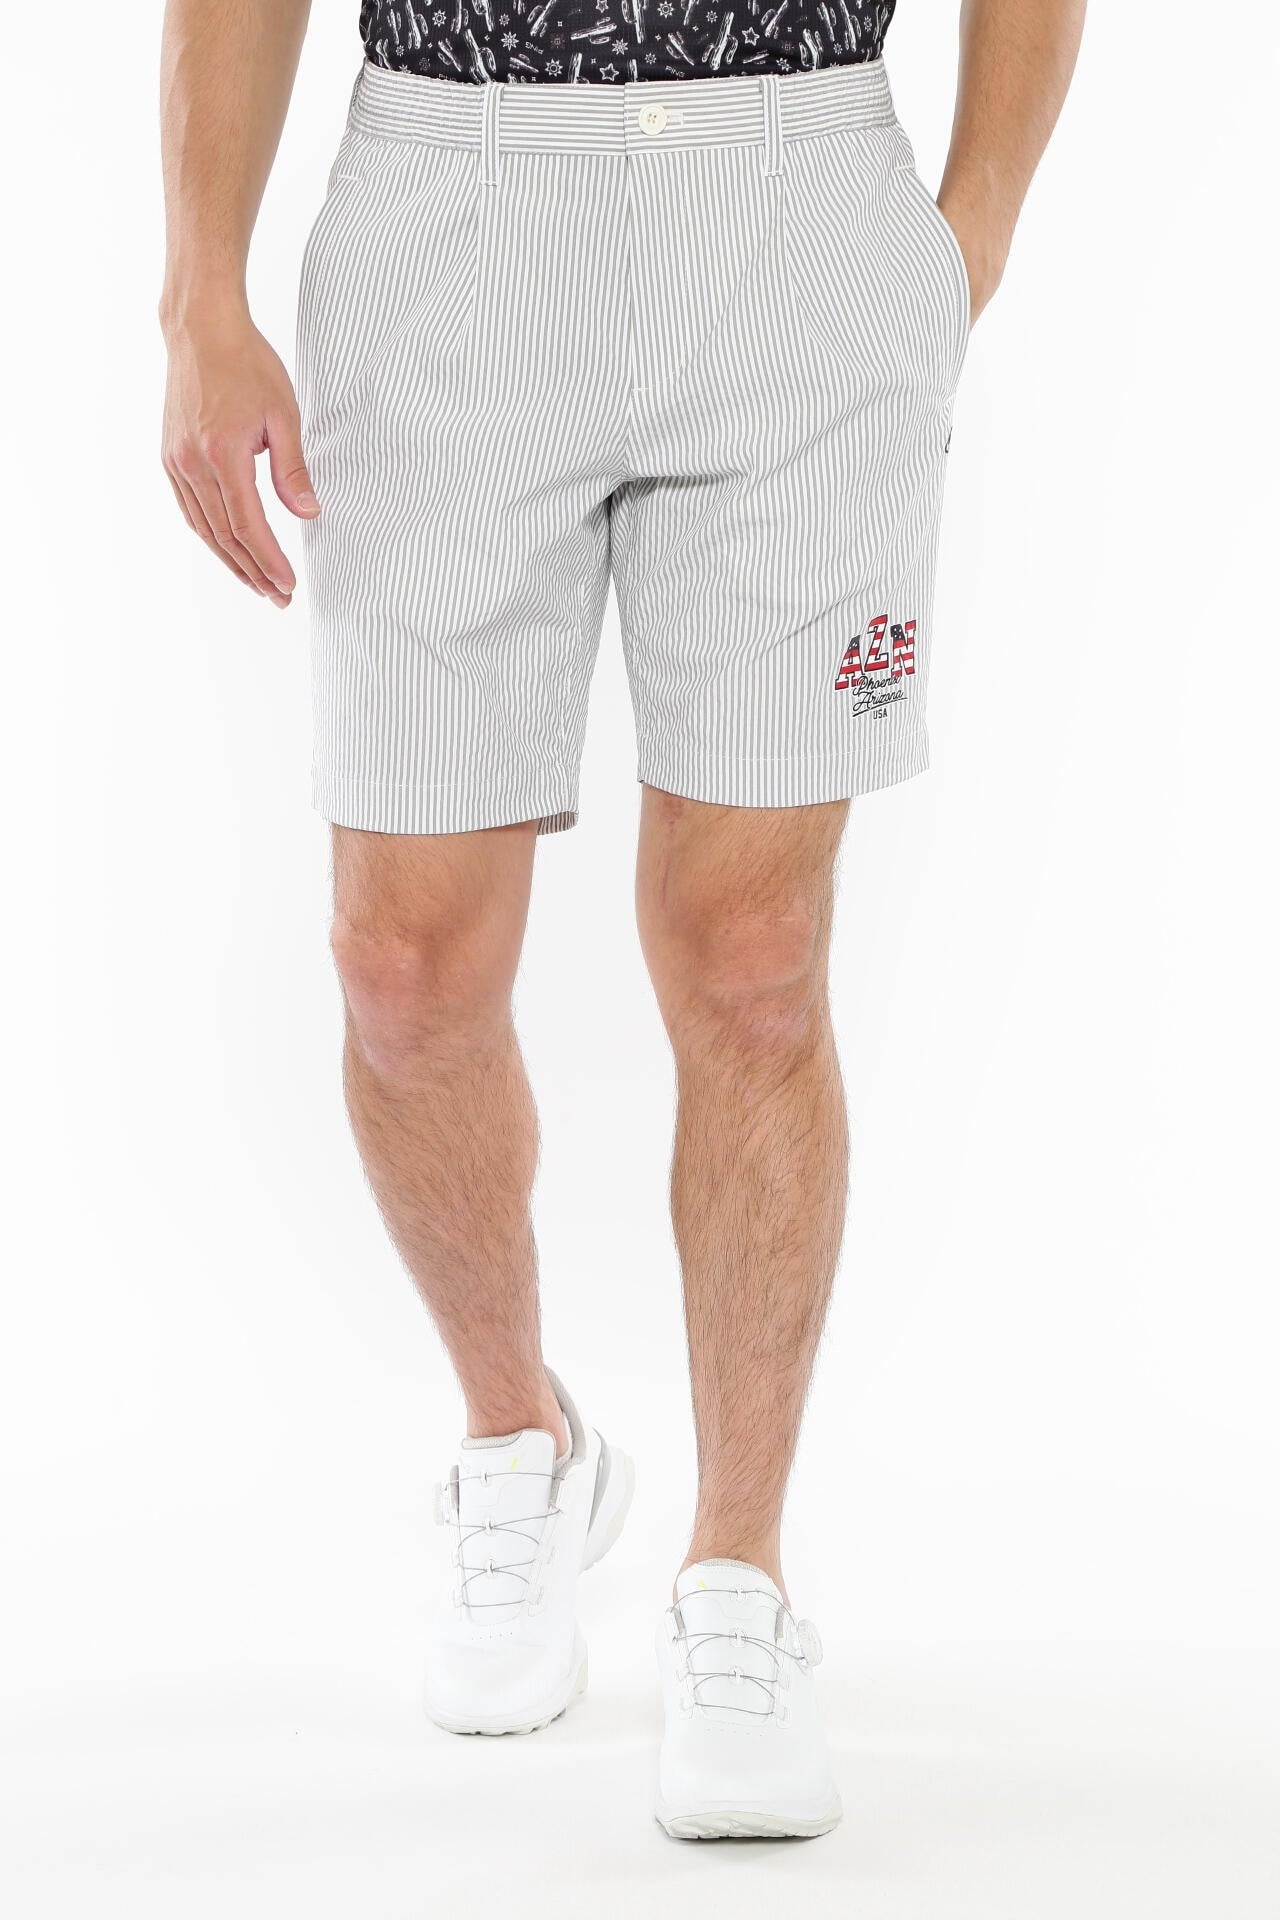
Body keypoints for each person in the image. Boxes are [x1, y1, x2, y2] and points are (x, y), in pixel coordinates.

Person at [160, 0, 1084, 1838]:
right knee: (402, 965)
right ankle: (523, 1439)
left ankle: (738, 1575)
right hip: (451, 200)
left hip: (798, 205)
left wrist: (969, 224)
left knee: (754, 960)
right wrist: (199, 290)